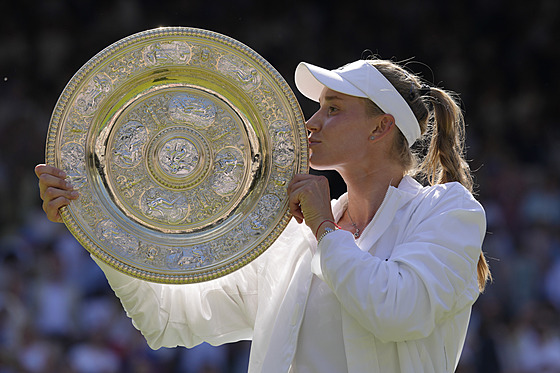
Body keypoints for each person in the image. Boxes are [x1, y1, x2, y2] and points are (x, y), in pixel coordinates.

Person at [35, 57, 491, 372]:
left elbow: (397, 311)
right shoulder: (294, 238)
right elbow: (169, 321)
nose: (311, 122)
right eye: (318, 108)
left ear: (381, 126)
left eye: (333, 109)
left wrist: (323, 228)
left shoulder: (447, 211)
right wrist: (95, 219)